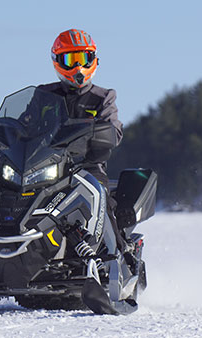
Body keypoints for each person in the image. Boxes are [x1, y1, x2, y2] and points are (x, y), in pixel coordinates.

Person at [39, 29, 134, 263]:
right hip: (45, 167)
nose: (77, 67)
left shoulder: (103, 97)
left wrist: (101, 135)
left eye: (83, 58)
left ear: (93, 60)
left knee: (100, 197)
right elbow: (23, 124)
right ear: (58, 61)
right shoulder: (43, 95)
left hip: (87, 166)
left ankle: (119, 257)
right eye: (71, 60)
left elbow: (115, 130)